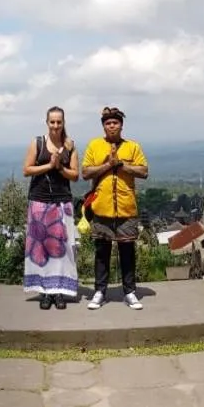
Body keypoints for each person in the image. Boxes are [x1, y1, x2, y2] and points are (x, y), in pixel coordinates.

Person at [80, 106, 148, 310]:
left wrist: (121, 165)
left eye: (115, 123)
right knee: (102, 252)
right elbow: (85, 172)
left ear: (121, 125)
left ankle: (130, 291)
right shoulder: (94, 146)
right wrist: (108, 165)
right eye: (108, 123)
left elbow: (144, 171)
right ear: (103, 126)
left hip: (126, 209)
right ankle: (100, 291)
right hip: (101, 208)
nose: (112, 126)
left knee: (127, 251)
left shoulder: (132, 147)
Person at [21, 106, 80, 309]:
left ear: (64, 123)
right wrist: (50, 165)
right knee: (41, 247)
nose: (55, 125)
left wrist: (60, 167)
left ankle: (60, 291)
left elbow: (75, 175)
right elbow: (27, 169)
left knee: (63, 248)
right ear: (47, 123)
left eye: (59, 122)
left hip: (62, 200)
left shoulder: (70, 146)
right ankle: (45, 291)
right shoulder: (37, 143)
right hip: (39, 200)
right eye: (52, 122)